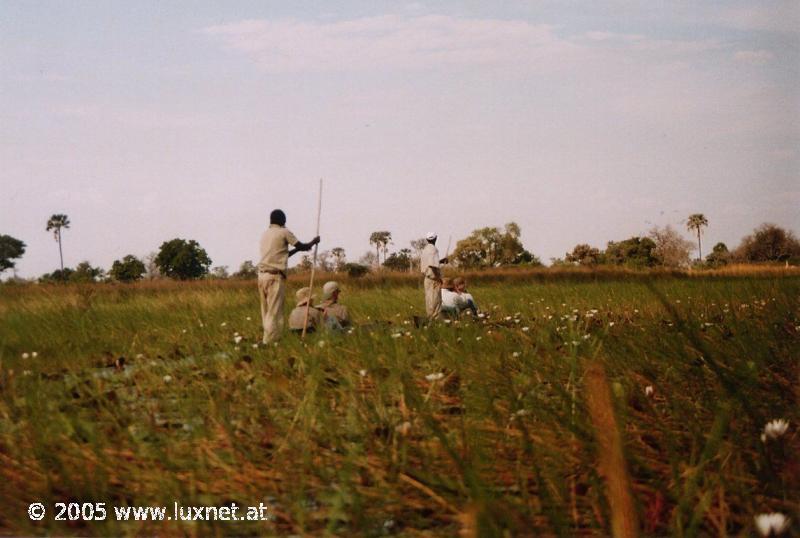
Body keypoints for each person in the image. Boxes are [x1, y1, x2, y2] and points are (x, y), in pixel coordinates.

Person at [257, 209, 320, 343]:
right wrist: (314, 242)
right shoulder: (283, 232)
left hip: (262, 276)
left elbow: (282, 254)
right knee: (274, 312)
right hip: (275, 277)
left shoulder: (265, 235)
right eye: (284, 220)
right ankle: (270, 342)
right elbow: (301, 245)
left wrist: (299, 249)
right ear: (281, 220)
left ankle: (266, 338)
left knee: (266, 312)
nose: (285, 223)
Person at [420, 232, 448, 320]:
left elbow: (430, 263)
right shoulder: (434, 250)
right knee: (435, 301)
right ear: (436, 239)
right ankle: (435, 320)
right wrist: (439, 279)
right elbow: (432, 266)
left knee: (429, 300)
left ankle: (430, 318)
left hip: (427, 279)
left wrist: (440, 261)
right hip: (433, 279)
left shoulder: (425, 249)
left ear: (427, 240)